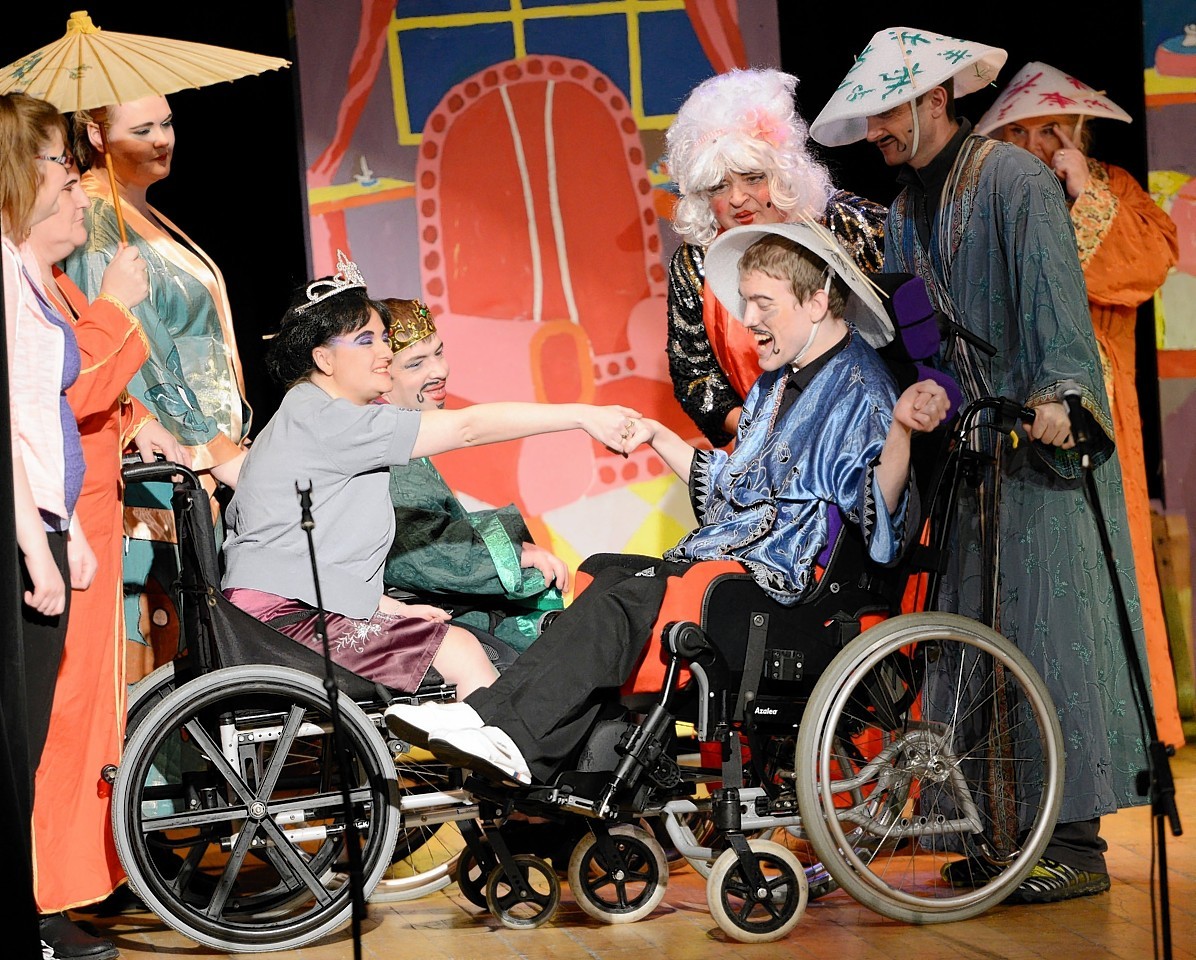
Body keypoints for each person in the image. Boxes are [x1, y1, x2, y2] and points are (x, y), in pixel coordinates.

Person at [384, 222, 949, 788]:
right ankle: (510, 735)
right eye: (746, 302)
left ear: (817, 300)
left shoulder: (865, 390)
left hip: (794, 585)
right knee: (605, 574)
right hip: (747, 556)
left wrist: (900, 431)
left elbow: (883, 528)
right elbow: (734, 488)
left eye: (762, 303)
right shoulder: (778, 385)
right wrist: (657, 435)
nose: (748, 319)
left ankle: (506, 734)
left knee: (633, 598)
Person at [810, 26, 1152, 903]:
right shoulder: (905, 213)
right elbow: (920, 339)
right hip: (968, 451)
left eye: (886, 113)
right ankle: (1004, 834)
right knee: (977, 636)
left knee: (1049, 631)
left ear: (935, 99)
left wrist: (1061, 397)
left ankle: (1072, 846)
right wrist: (924, 398)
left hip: (1039, 446)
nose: (876, 135)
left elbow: (1053, 302)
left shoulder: (1016, 180)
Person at [221, 254, 639, 699]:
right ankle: (496, 765)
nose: (384, 353)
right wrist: (582, 415)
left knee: (457, 638)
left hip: (282, 607)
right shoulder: (336, 422)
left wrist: (387, 608)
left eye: (383, 339)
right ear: (323, 358)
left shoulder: (305, 412)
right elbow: (467, 427)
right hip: (280, 619)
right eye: (366, 341)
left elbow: (302, 549)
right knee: (464, 652)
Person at [976, 63, 1184, 748]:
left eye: (1050, 130)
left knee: (1106, 564)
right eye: (1022, 131)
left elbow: (1148, 263)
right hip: (1014, 398)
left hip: (1098, 404)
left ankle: (1119, 738)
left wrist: (1084, 187)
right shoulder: (996, 197)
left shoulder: (1109, 186)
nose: (1036, 142)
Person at [24, 154, 190, 956]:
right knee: (59, 717)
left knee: (92, 712)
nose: (78, 199)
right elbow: (65, 386)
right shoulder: (26, 284)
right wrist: (120, 308)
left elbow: (98, 398)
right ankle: (43, 899)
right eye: (61, 184)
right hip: (60, 520)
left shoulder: (56, 284)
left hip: (88, 512)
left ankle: (72, 882)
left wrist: (136, 422)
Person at [62, 95, 248, 683]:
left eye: (166, 123)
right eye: (142, 129)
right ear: (96, 134)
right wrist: (210, 450)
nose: (162, 139)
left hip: (210, 451)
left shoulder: (137, 214)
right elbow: (135, 358)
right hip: (173, 463)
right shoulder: (95, 226)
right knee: (160, 647)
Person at [664, 68, 887, 447]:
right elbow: (695, 378)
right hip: (766, 457)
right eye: (719, 186)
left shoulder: (843, 223)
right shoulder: (695, 263)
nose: (737, 199)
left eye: (752, 178)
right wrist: (767, 428)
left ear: (782, 173)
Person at [1, 91, 93, 959]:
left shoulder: (28, 271)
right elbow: (13, 424)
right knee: (18, 734)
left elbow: (52, 420)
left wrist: (76, 532)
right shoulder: (1, 268)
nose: (71, 174)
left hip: (48, 522)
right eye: (60, 160)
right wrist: (37, 544)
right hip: (21, 531)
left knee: (31, 734)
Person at [380, 297, 565, 652]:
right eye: (416, 363)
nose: (439, 370)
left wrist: (515, 547)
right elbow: (419, 553)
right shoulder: (387, 451)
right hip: (429, 612)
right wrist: (514, 556)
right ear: (381, 377)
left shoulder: (401, 440)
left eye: (438, 353)